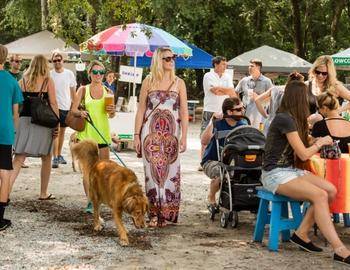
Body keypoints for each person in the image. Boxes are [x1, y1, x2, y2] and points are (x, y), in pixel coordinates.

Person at [262, 80, 350, 264]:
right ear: (299, 98)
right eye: (308, 96)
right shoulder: (284, 118)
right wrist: (318, 143)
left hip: (289, 171)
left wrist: (316, 139)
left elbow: (302, 143)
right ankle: (339, 249)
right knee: (319, 195)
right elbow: (302, 154)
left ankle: (301, 234)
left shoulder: (295, 119)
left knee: (331, 190)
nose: (311, 100)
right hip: (274, 173)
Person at [134, 47, 188, 227]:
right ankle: (154, 214)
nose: (171, 60)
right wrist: (136, 135)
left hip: (171, 136)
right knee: (151, 175)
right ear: (158, 60)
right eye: (167, 58)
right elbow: (141, 109)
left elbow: (184, 112)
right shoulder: (148, 81)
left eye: (173, 58)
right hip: (149, 135)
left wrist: (185, 137)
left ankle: (167, 214)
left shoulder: (179, 82)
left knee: (171, 174)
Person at [9, 55, 59, 200]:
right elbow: (54, 103)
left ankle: (5, 191)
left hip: (24, 122)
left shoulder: (21, 81)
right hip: (43, 122)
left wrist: (15, 126)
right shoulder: (48, 81)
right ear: (45, 65)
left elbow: (16, 107)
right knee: (46, 157)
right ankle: (43, 193)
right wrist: (57, 123)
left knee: (18, 158)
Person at [71, 60, 116, 213]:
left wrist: (112, 111)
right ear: (89, 73)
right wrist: (80, 112)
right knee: (87, 172)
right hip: (86, 137)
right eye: (95, 72)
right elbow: (73, 110)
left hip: (102, 135)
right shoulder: (83, 90)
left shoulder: (109, 93)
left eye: (101, 72)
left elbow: (111, 115)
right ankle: (90, 202)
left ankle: (100, 197)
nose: (98, 75)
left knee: (104, 171)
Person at [201, 97, 245, 209]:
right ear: (230, 112)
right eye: (239, 109)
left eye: (243, 108)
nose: (243, 111)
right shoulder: (218, 123)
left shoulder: (243, 124)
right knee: (222, 174)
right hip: (212, 161)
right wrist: (212, 121)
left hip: (233, 162)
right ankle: (211, 196)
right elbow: (204, 141)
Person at [0, 45, 23, 230]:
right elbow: (16, 114)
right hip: (5, 130)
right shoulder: (12, 81)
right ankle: (0, 218)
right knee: (5, 171)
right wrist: (14, 133)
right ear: (6, 59)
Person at [200, 56, 236, 170]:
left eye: (225, 64)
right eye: (223, 64)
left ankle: (219, 160)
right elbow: (215, 91)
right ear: (216, 64)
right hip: (210, 109)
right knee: (205, 136)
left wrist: (221, 89)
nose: (225, 66)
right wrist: (224, 90)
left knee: (222, 135)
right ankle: (202, 161)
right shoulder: (208, 75)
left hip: (223, 110)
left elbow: (232, 92)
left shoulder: (227, 76)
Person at [50, 52, 77, 168]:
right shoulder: (49, 74)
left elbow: (73, 92)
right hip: (53, 107)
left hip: (66, 107)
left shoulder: (69, 74)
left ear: (63, 61)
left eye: (59, 60)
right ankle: (54, 157)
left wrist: (74, 106)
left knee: (62, 133)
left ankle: (59, 155)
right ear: (52, 62)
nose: (57, 62)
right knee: (55, 133)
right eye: (54, 60)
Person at [307, 55, 350, 126]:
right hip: (312, 129)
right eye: (318, 72)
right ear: (313, 70)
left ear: (329, 74)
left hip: (332, 128)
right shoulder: (308, 85)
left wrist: (338, 111)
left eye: (324, 73)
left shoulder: (335, 86)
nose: (320, 75)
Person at [235, 59, 273, 129]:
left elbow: (272, 97)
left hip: (260, 114)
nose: (249, 68)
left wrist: (258, 98)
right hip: (246, 113)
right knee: (246, 131)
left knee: (259, 132)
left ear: (258, 67)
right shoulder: (244, 80)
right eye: (249, 66)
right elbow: (235, 92)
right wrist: (239, 104)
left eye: (252, 66)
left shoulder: (267, 81)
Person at [8, 54, 28, 169]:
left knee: (20, 134)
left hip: (21, 109)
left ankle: (19, 159)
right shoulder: (7, 75)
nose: (18, 63)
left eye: (20, 61)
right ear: (10, 62)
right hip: (9, 109)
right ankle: (8, 157)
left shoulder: (23, 75)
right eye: (16, 61)